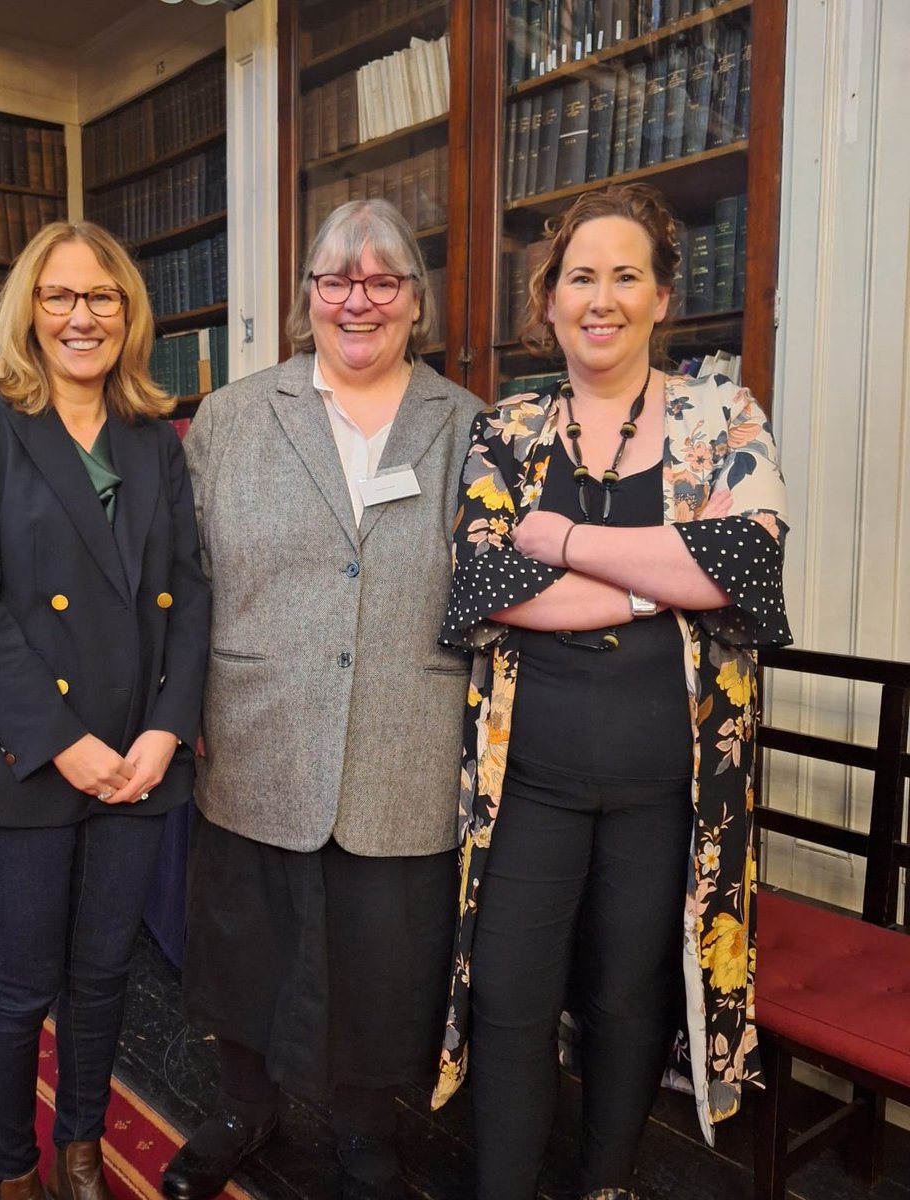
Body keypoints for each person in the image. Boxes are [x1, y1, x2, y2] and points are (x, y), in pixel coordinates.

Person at [430, 183, 792, 1200]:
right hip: (529, 775)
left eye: (626, 275)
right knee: (508, 992)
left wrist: (570, 544)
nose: (603, 298)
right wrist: (661, 577)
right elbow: (483, 584)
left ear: (663, 297)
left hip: (665, 784)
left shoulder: (723, 415)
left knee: (628, 999)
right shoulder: (508, 426)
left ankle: (605, 1183)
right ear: (548, 301)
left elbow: (745, 571)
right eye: (579, 277)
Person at [159, 198, 482, 1200]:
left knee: (383, 962)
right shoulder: (231, 417)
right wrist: (182, 716)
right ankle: (240, 1108)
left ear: (415, 304)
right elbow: (187, 578)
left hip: (405, 740)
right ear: (306, 299)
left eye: (383, 279)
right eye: (336, 279)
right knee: (245, 950)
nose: (358, 299)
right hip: (256, 738)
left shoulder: (472, 426)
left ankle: (359, 1127)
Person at [0, 221, 210, 1200]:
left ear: (128, 315)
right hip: (23, 758)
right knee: (18, 989)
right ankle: (14, 1172)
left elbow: (187, 588)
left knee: (104, 981)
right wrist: (64, 743)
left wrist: (167, 730)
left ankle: (81, 1150)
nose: (82, 316)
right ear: (29, 311)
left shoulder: (152, 437)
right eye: (61, 297)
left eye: (103, 298)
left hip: (139, 756)